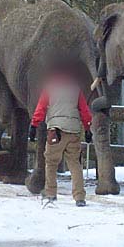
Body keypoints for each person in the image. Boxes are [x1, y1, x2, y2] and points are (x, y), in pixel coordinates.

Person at [29, 70, 93, 207]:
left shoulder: (49, 88)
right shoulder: (76, 89)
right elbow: (85, 111)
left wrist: (34, 125)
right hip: (73, 130)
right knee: (75, 164)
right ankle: (79, 197)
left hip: (55, 131)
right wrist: (88, 129)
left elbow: (41, 108)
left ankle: (51, 193)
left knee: (51, 163)